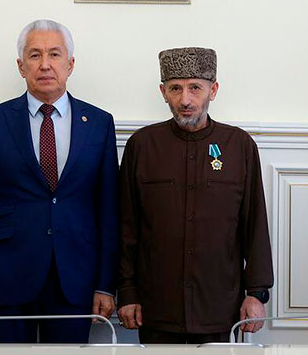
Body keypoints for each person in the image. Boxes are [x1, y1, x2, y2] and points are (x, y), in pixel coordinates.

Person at [0, 19, 118, 343]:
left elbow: (109, 211)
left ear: (70, 64)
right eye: (35, 55)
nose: (45, 64)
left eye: (54, 54)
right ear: (21, 66)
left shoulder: (99, 123)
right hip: (6, 280)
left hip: (76, 280)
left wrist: (105, 284)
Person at [117, 47, 273, 344]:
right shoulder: (142, 146)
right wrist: (127, 291)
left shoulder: (239, 146)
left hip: (219, 307)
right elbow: (127, 227)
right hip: (156, 306)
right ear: (163, 92)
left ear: (213, 90)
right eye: (175, 88)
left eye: (195, 88)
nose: (185, 100)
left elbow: (254, 226)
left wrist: (256, 293)